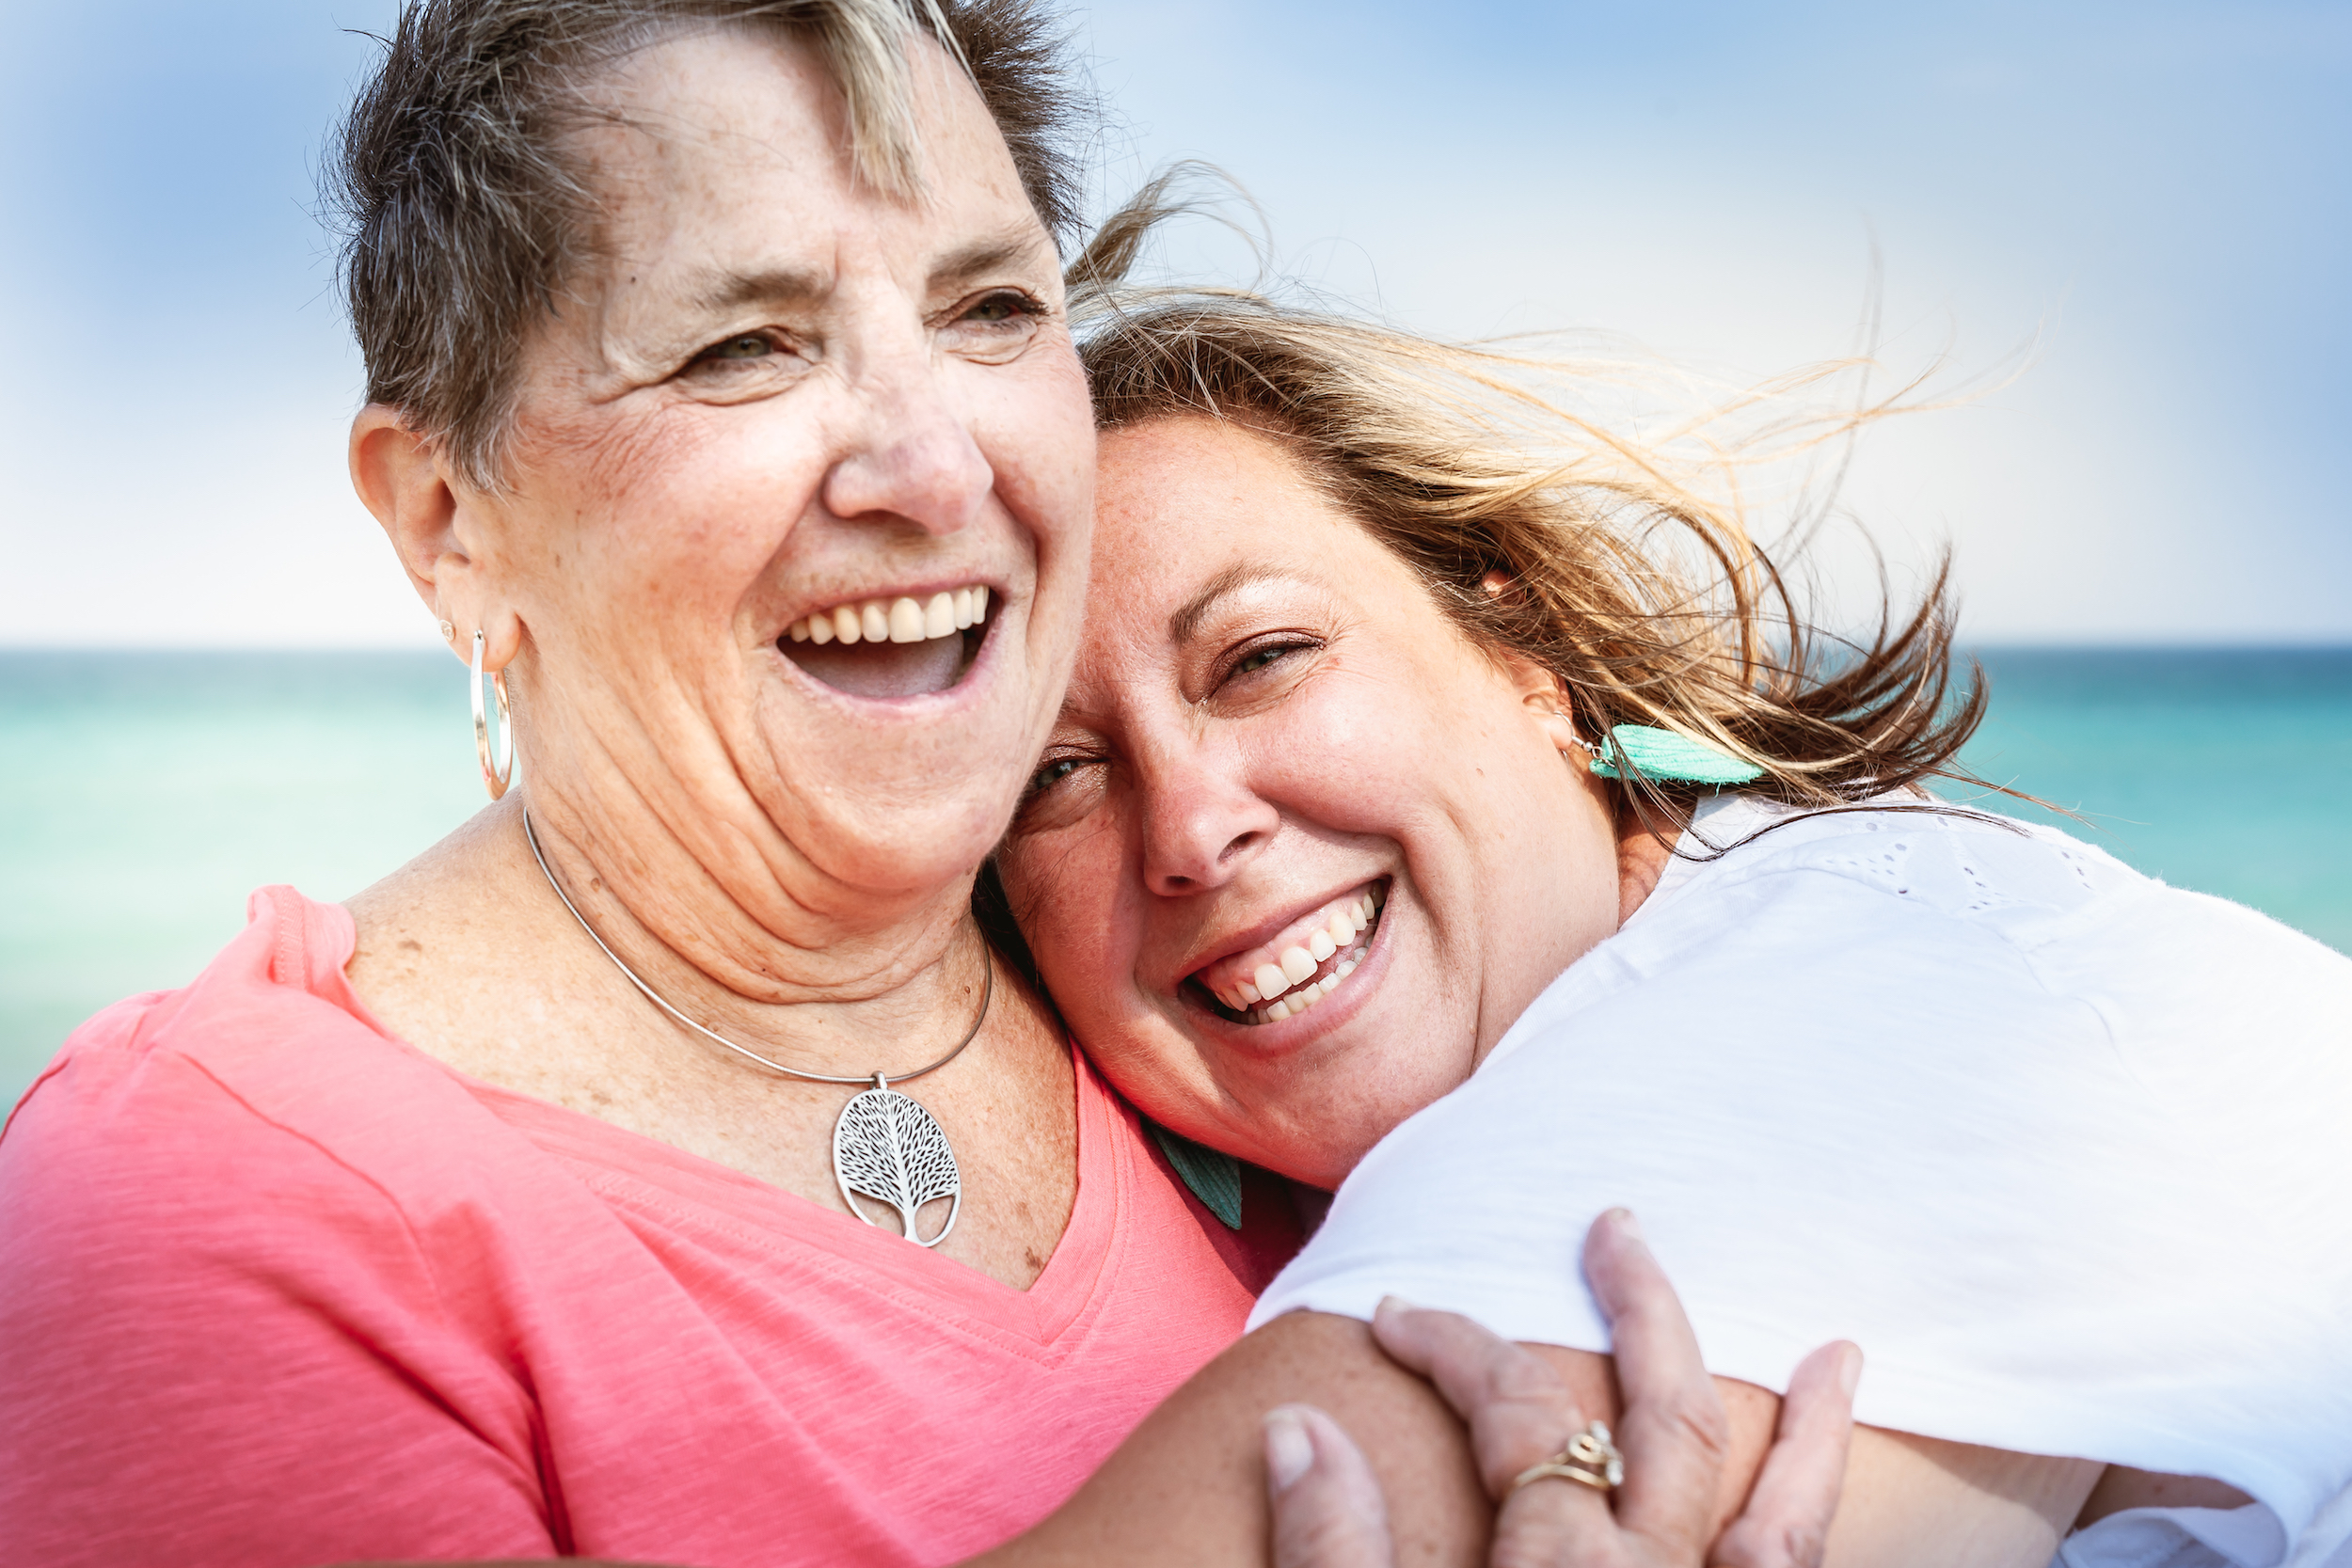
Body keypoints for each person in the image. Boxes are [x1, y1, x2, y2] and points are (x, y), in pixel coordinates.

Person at [0, 4, 1849, 1565]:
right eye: (744, 344)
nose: (930, 460)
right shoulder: (211, 1205)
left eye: (983, 312)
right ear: (446, 524)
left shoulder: (1195, 986)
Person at [993, 284, 2352, 1567]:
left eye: (1263, 657)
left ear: (1522, 663)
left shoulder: (1766, 1045)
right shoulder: (1818, 888)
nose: (1186, 829)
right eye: (1053, 773)